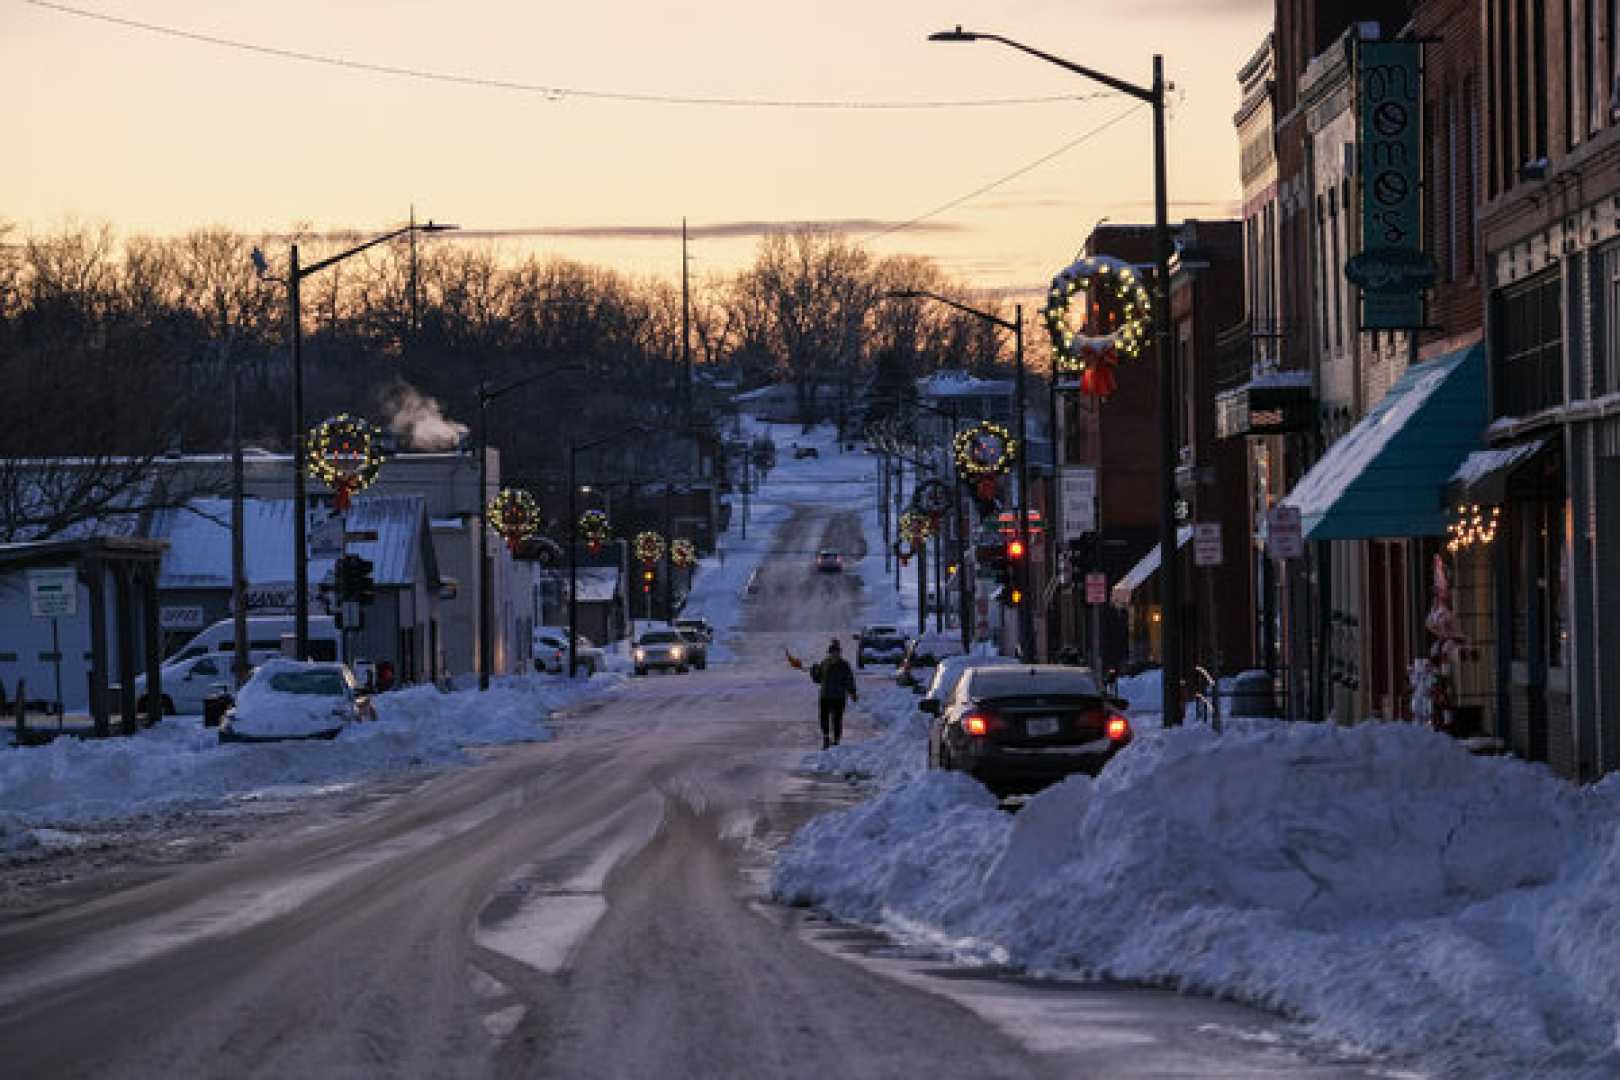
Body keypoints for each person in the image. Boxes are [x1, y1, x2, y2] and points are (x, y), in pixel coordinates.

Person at [809, 638, 858, 750]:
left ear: (839, 653)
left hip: (838, 697)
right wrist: (814, 671)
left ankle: (836, 741)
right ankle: (826, 738)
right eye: (832, 653)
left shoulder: (844, 665)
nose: (834, 655)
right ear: (830, 653)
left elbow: (849, 680)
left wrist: (852, 693)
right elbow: (818, 679)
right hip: (825, 696)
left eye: (836, 653)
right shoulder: (824, 663)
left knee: (837, 719)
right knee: (824, 718)